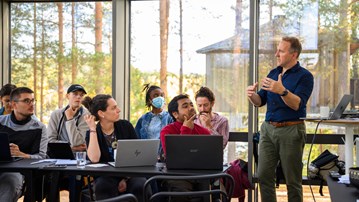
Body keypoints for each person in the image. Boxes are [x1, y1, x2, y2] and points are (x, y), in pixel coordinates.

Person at [247, 36, 314, 202]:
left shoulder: (305, 76)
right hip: (268, 130)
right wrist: (251, 95)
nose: (276, 54)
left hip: (291, 130)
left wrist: (282, 90)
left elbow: (297, 104)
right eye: (277, 50)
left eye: (281, 51)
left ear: (294, 54)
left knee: (293, 180)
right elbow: (260, 101)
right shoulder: (274, 73)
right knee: (263, 176)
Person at [83, 94, 147, 201]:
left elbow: (137, 155)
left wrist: (125, 179)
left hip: (129, 174)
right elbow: (94, 159)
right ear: (101, 113)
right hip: (105, 176)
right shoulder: (92, 132)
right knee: (103, 186)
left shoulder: (125, 126)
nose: (119, 110)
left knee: (140, 185)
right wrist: (92, 129)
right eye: (113, 108)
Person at [160, 94, 211, 202]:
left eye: (191, 104)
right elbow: (174, 158)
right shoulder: (167, 131)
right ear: (175, 114)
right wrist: (185, 130)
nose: (191, 108)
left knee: (213, 190)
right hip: (178, 175)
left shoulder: (204, 131)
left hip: (201, 174)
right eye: (185, 106)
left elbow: (209, 157)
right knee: (180, 191)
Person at [0, 87, 47, 201]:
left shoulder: (40, 128)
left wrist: (22, 154)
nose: (32, 104)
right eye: (27, 101)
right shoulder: (0, 122)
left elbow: (42, 157)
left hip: (17, 173)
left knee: (8, 185)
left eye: (33, 100)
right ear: (14, 105)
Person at [47, 84, 89, 202]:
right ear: (67, 96)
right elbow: (50, 141)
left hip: (78, 160)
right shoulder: (56, 114)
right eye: (75, 94)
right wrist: (72, 148)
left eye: (81, 95)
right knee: (52, 179)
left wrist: (70, 119)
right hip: (57, 158)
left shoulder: (86, 115)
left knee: (75, 178)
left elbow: (78, 142)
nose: (78, 97)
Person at [135, 84, 173, 157]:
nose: (160, 98)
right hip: (145, 157)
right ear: (149, 100)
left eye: (162, 95)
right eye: (156, 95)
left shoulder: (170, 117)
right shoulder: (143, 119)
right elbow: (136, 139)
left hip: (163, 158)